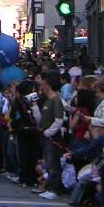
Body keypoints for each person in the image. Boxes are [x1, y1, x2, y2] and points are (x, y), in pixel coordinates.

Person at [37, 71, 65, 200]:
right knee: (48, 162)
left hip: (52, 137)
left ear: (48, 86)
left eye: (43, 85)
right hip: (45, 135)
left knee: (53, 162)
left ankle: (55, 188)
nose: (41, 87)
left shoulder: (56, 101)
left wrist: (48, 132)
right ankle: (49, 187)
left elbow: (59, 120)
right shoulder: (48, 101)